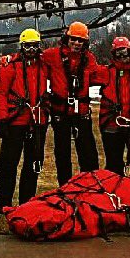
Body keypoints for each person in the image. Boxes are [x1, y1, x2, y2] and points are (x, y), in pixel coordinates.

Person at [0, 28, 50, 215]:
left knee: (33, 164)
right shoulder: (10, 66)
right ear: (22, 47)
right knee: (8, 163)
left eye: (34, 46)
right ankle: (4, 201)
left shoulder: (45, 65)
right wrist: (2, 120)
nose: (31, 49)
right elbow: (0, 93)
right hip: (15, 122)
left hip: (37, 122)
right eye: (28, 46)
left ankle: (27, 201)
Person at [42, 21, 100, 185]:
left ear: (85, 42)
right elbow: (32, 59)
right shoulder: (52, 55)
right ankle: (65, 188)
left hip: (81, 113)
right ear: (66, 38)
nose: (76, 43)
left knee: (88, 154)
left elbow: (101, 75)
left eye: (80, 40)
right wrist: (10, 59)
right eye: (73, 39)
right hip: (60, 113)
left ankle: (90, 187)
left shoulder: (89, 59)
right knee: (62, 154)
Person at [90, 36, 130, 175]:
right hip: (112, 127)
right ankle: (115, 194)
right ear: (114, 54)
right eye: (118, 52)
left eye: (124, 51)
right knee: (114, 167)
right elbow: (86, 74)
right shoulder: (106, 73)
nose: (122, 55)